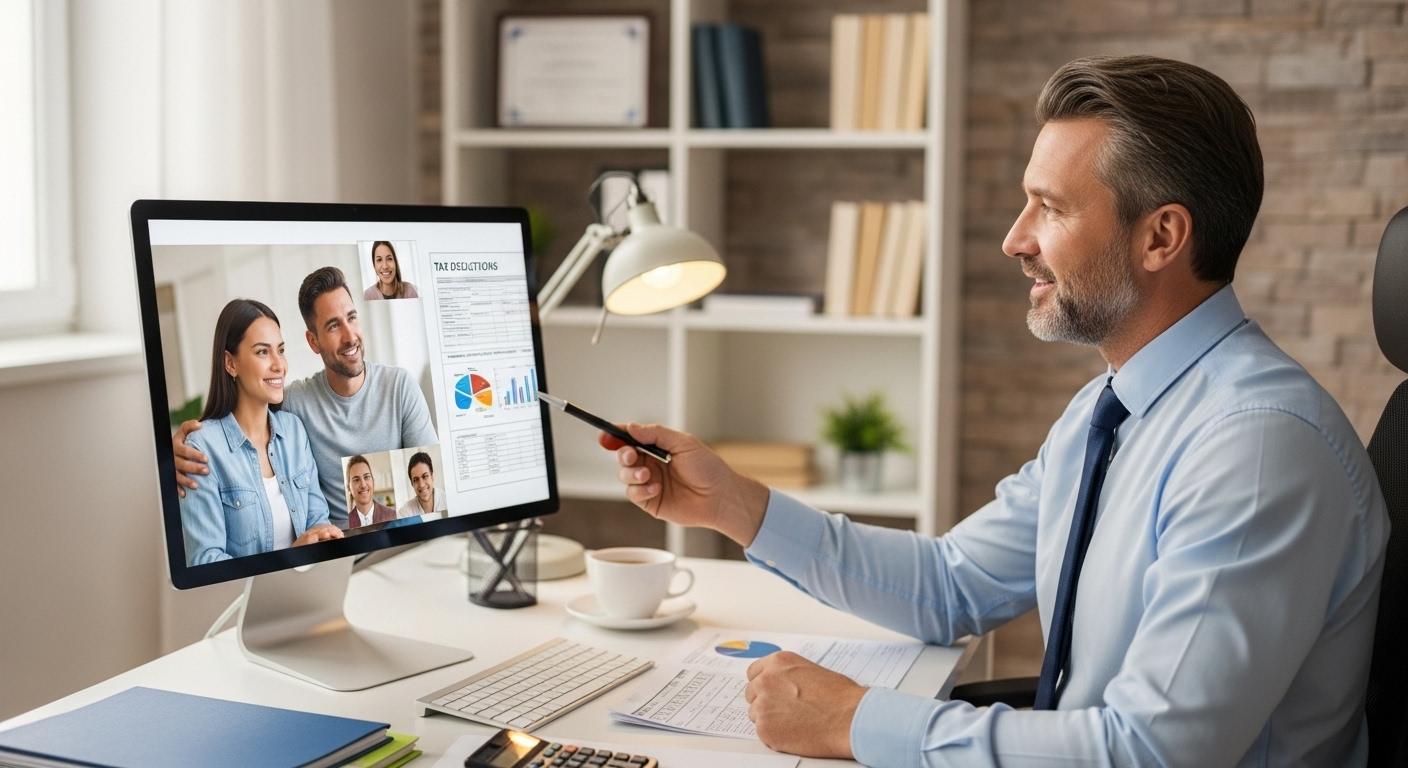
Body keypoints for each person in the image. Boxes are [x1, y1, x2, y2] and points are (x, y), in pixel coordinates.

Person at [602, 56, 1389, 767]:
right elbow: (952, 583)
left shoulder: (1255, 449)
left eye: (1050, 207)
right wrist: (737, 505)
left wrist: (856, 722)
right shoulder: (1110, 410)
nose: (1016, 239)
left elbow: (1152, 753)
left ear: (1162, 237)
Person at [174, 266, 439, 529]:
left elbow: (431, 495)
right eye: (334, 326)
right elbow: (240, 416)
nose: (350, 336)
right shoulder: (295, 403)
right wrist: (180, 448)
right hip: (341, 553)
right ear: (313, 342)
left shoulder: (400, 387)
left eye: (352, 318)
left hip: (401, 540)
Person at [179, 299, 343, 566]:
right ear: (230, 363)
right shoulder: (202, 449)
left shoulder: (294, 431)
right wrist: (290, 559)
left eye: (280, 350)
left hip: (308, 592)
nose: (279, 365)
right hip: (252, 606)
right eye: (262, 352)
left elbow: (317, 520)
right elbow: (206, 561)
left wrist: (326, 537)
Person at [345, 454, 398, 528]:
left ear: (373, 482)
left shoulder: (392, 515)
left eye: (366, 477)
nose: (363, 485)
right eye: (356, 480)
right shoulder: (344, 524)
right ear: (348, 488)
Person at [397, 451, 448, 520]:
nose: (421, 485)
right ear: (412, 484)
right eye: (416, 480)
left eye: (425, 476)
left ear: (432, 477)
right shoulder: (405, 513)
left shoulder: (448, 501)